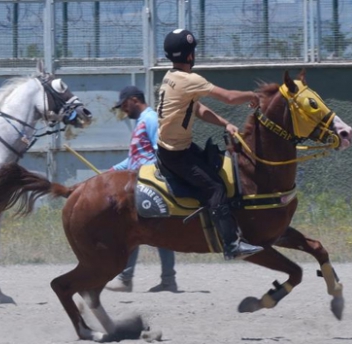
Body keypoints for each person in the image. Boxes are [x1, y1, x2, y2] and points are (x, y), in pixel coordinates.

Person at [156, 29, 263, 260]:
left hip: (172, 149)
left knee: (215, 168)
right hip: (177, 154)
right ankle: (232, 245)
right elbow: (229, 98)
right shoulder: (190, 80)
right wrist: (253, 95)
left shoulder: (170, 77)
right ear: (190, 56)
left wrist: (225, 124)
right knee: (215, 187)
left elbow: (198, 109)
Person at [104, 86, 177, 293]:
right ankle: (166, 280)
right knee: (147, 231)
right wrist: (111, 171)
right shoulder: (141, 122)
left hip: (150, 184)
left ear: (135, 100)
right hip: (139, 184)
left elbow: (159, 151)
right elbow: (134, 158)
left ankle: (128, 279)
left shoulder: (151, 119)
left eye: (124, 105)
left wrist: (149, 176)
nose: (124, 110)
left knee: (134, 230)